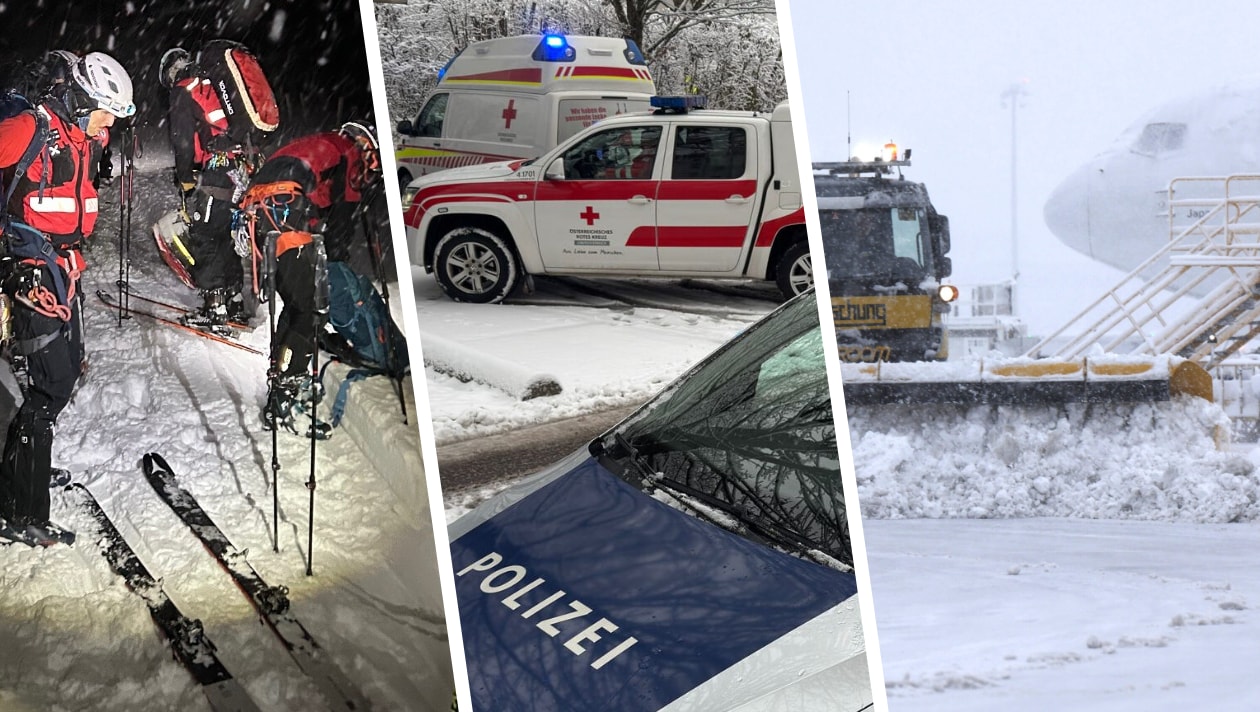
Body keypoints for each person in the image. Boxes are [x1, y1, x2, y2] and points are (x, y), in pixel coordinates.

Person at [0, 51, 134, 545]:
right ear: (80, 99)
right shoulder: (32, 128)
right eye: (104, 112)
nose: (108, 125)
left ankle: (25, 471)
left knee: (67, 369)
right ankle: (17, 509)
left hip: (63, 268)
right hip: (32, 267)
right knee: (50, 384)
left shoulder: (85, 138)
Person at [238, 122, 382, 438]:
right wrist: (336, 265)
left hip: (262, 208)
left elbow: (316, 207)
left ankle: (282, 386)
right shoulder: (349, 153)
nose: (369, 172)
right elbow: (344, 216)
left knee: (295, 303)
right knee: (309, 308)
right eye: (373, 164)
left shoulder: (322, 142)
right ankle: (287, 402)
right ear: (366, 148)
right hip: (283, 206)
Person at [159, 46, 255, 326]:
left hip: (217, 170)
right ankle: (233, 300)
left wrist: (185, 175)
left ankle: (216, 307)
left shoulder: (183, 88)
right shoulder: (215, 83)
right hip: (240, 168)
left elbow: (183, 140)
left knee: (206, 234)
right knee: (226, 234)